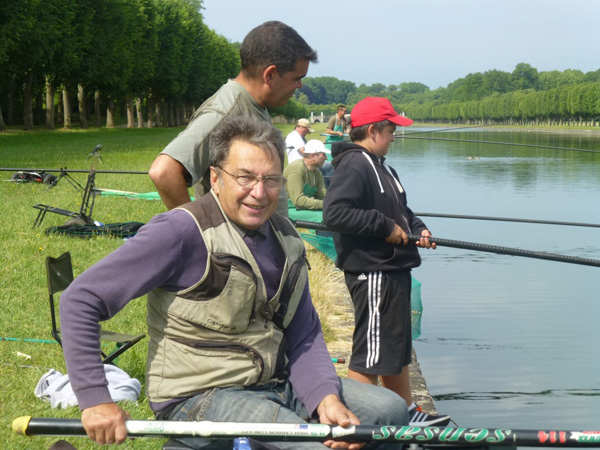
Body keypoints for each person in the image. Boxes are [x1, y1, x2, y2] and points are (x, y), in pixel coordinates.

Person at [60, 116, 409, 450]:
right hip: (200, 396)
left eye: (271, 180)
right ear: (215, 178)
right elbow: (80, 299)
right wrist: (95, 399)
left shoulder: (286, 236)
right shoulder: (180, 232)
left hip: (275, 383)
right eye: (245, 177)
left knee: (389, 412)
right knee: (312, 445)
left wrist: (324, 397)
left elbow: (304, 332)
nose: (259, 193)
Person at [323, 97, 451, 428]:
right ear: (373, 130)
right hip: (373, 271)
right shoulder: (354, 165)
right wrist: (385, 226)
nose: (394, 136)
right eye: (391, 129)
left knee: (394, 349)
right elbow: (335, 213)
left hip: (393, 269)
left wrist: (418, 228)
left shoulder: (383, 166)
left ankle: (407, 411)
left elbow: (402, 211)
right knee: (370, 353)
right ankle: (354, 424)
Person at [148, 21, 318, 217]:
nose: (300, 85)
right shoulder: (225, 113)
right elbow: (163, 172)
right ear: (270, 75)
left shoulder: (253, 104)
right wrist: (197, 233)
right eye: (297, 78)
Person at [283, 140, 329, 211]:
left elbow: (322, 196)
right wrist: (327, 204)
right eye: (324, 154)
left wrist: (333, 203)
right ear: (313, 156)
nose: (326, 158)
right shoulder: (297, 169)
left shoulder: (317, 173)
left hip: (303, 208)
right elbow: (298, 200)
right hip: (289, 209)